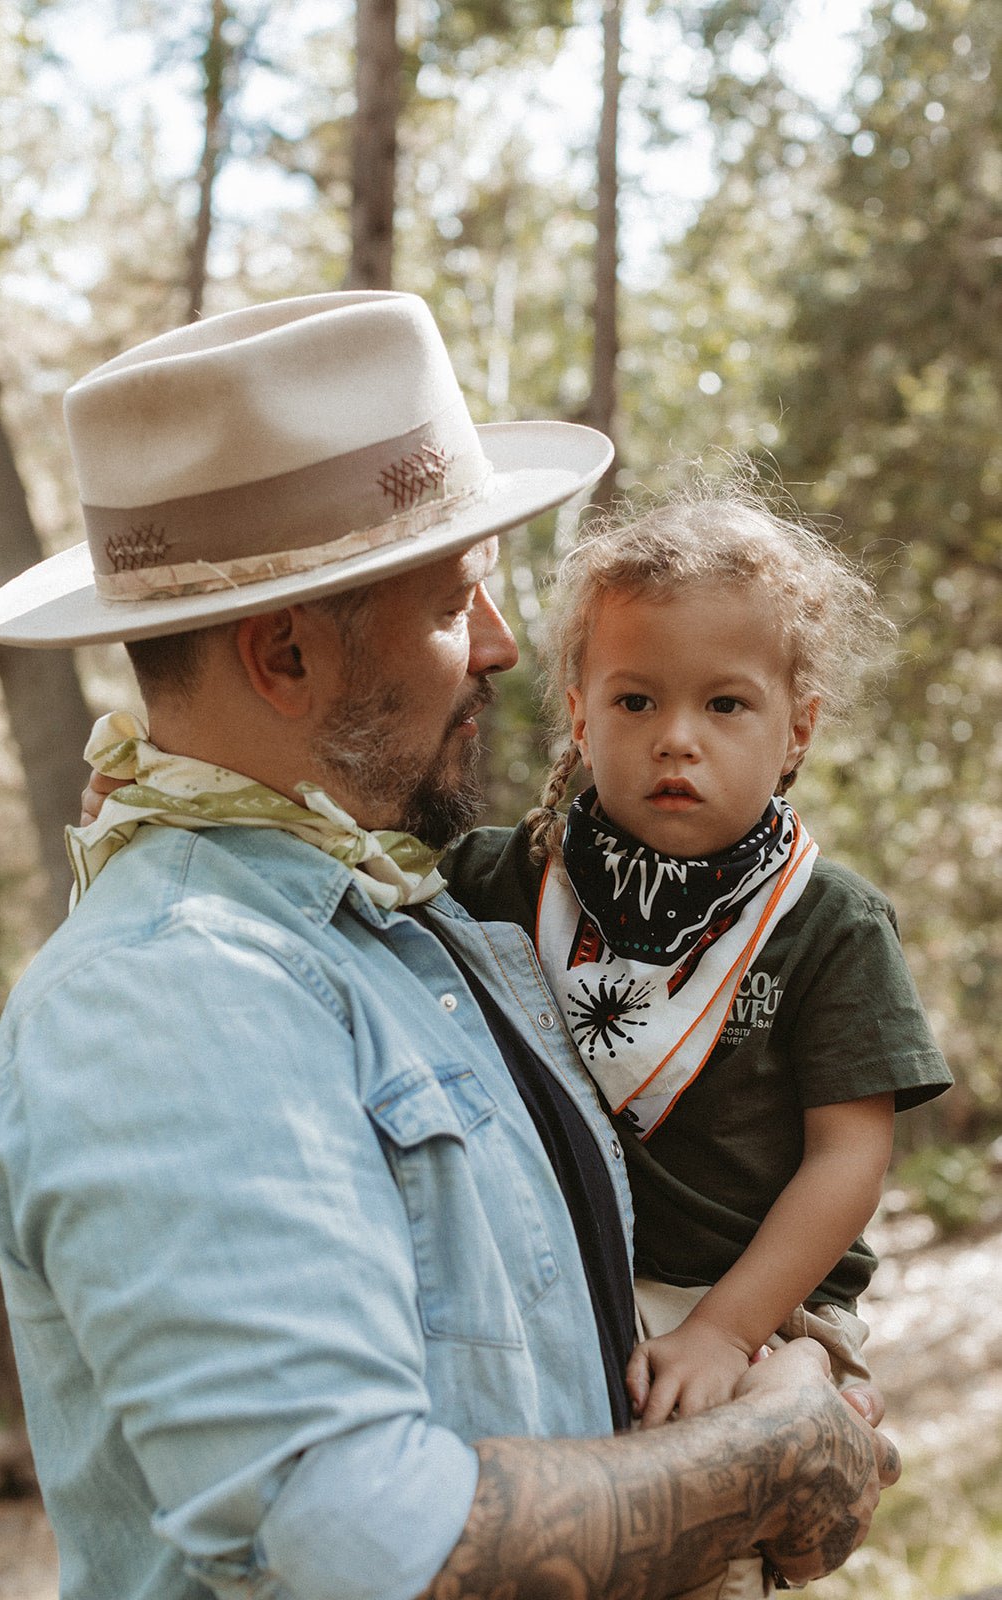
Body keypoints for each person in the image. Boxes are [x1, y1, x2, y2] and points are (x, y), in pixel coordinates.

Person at [0, 291, 898, 1600]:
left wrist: (778, 1354)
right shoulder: (172, 988)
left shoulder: (415, 929)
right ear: (283, 653)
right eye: (456, 599)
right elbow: (357, 1538)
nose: (507, 649)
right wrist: (763, 1462)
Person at [444, 491, 950, 1597]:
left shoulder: (827, 923)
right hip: (564, 1305)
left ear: (796, 727)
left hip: (752, 1307)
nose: (676, 736)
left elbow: (847, 1159)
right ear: (576, 714)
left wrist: (728, 1330)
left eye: (725, 704)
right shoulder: (500, 875)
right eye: (635, 699)